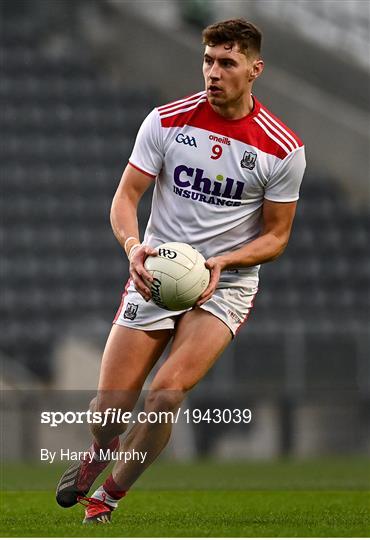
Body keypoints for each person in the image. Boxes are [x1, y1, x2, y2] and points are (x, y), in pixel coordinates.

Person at [56, 18, 306, 524]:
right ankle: (101, 450)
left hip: (224, 283)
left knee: (166, 393)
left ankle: (110, 494)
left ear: (255, 69)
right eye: (208, 61)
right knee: (108, 412)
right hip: (156, 271)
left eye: (227, 63)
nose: (213, 72)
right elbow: (126, 198)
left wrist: (224, 262)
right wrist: (133, 247)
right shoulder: (166, 122)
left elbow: (277, 236)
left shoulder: (282, 148)